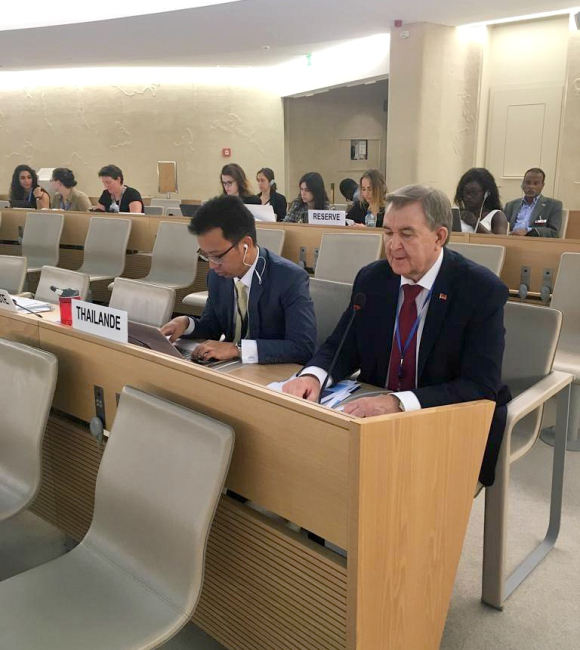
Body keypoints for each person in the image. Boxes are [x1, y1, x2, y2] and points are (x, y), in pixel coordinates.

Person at [283, 184, 510, 487]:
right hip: (374, 419)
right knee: (306, 456)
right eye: (388, 232)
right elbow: (342, 346)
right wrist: (313, 376)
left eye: (406, 234)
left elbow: (480, 386)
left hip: (443, 420)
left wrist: (397, 403)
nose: (393, 245)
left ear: (439, 237)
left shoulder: (479, 290)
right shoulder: (373, 279)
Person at [161, 195, 316, 365]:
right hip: (230, 368)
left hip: (270, 371)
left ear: (246, 245)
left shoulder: (289, 278)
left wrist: (238, 349)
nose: (212, 265)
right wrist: (187, 323)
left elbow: (303, 347)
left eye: (217, 256)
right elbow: (212, 326)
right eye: (206, 256)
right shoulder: (217, 277)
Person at [504, 168, 563, 238]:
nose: (531, 186)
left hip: (535, 241)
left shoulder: (553, 205)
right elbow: (503, 228)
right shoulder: (510, 205)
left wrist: (528, 231)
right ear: (522, 184)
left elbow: (554, 232)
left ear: (542, 185)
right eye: (528, 183)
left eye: (536, 183)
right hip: (511, 239)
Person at [454, 168, 508, 235]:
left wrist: (475, 224)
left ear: (486, 193)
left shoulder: (497, 216)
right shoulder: (457, 214)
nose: (469, 196)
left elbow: (500, 240)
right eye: (466, 192)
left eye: (474, 192)